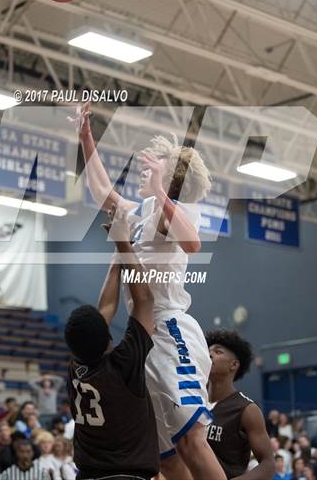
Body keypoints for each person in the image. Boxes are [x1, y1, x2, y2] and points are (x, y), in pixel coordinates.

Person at [71, 101, 225, 480]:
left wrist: (161, 190)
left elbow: (192, 244)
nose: (145, 167)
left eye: (156, 165)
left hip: (171, 331)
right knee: (167, 457)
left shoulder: (177, 209)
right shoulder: (143, 210)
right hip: (143, 332)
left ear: (171, 179)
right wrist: (87, 140)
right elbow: (103, 193)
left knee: (192, 442)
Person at [64, 206, 160, 480]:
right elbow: (145, 300)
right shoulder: (123, 365)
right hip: (124, 476)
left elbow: (106, 306)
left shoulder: (76, 370)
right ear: (107, 337)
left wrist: (119, 251)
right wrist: (122, 242)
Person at [206, 329, 274, 480]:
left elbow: (268, 465)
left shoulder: (247, 409)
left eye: (218, 352)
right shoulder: (193, 398)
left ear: (234, 365)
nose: (209, 355)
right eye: (208, 351)